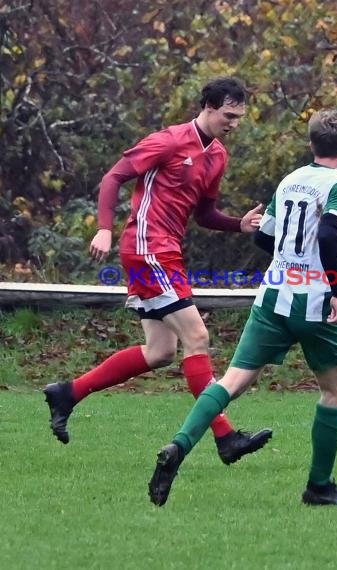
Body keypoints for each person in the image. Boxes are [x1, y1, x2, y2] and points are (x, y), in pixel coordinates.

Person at [44, 77, 272, 465]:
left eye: (239, 117)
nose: (233, 123)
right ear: (209, 107)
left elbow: (203, 215)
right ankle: (225, 436)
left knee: (161, 351)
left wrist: (238, 224)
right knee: (197, 336)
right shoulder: (168, 140)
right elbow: (113, 176)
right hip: (147, 248)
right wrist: (103, 227)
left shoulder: (217, 155)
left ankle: (68, 392)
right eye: (229, 115)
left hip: (166, 252)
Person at [148, 109, 337, 507]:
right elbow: (330, 232)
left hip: (272, 296)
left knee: (231, 382)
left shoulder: (291, 181)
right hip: (314, 301)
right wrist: (336, 290)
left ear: (312, 144)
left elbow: (265, 237)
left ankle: (178, 447)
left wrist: (289, 256)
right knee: (335, 390)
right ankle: (319, 487)